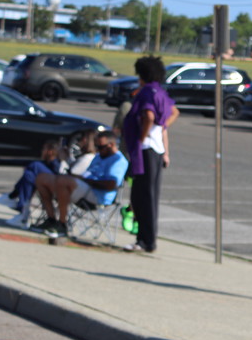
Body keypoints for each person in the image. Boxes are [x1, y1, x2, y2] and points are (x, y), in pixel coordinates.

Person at [121, 56, 179, 253]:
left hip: (146, 149)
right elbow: (174, 111)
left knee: (141, 196)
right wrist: (162, 126)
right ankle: (147, 238)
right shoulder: (160, 92)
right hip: (157, 149)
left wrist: (141, 137)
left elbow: (148, 115)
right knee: (150, 195)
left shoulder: (146, 92)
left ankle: (145, 240)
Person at [32, 132, 128, 239]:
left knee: (63, 181)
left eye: (101, 147)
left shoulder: (118, 160)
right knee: (42, 178)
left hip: (98, 195)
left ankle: (62, 225)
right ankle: (51, 220)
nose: (98, 149)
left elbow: (111, 185)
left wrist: (86, 181)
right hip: (84, 187)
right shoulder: (99, 156)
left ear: (112, 145)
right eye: (97, 146)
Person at [0, 131, 99, 228]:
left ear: (88, 141)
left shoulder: (88, 158)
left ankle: (17, 201)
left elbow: (72, 174)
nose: (79, 142)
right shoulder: (84, 156)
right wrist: (67, 157)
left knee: (35, 166)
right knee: (29, 175)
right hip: (63, 182)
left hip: (67, 188)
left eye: (82, 139)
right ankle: (22, 210)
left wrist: (64, 159)